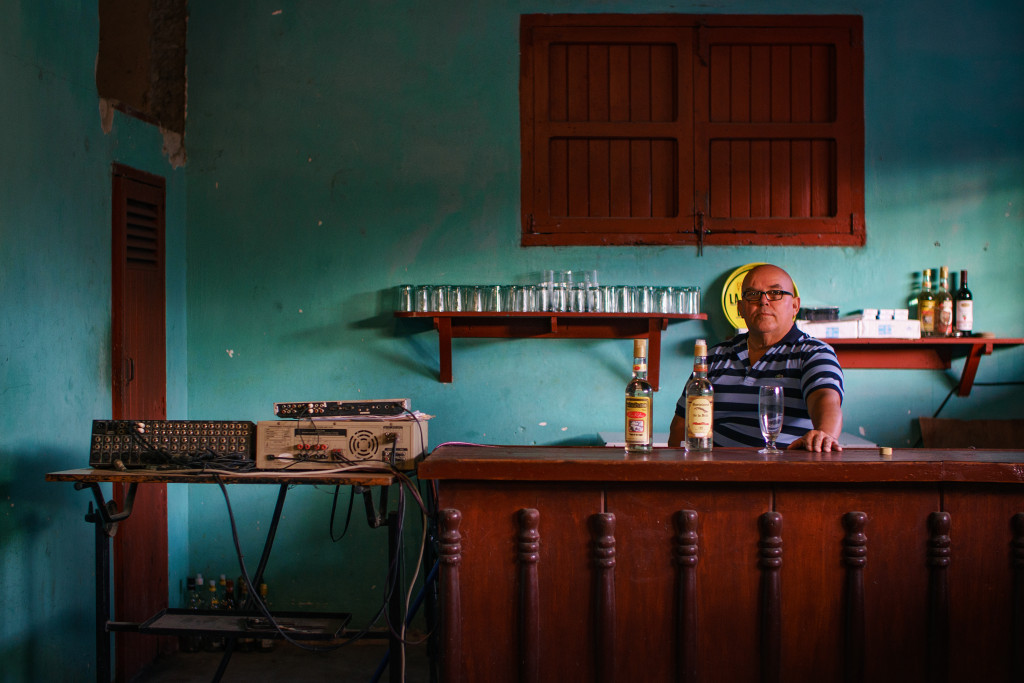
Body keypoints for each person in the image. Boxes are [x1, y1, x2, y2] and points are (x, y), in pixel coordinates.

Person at [668, 264, 844, 452]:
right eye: (752, 294)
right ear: (741, 308)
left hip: (785, 475)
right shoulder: (714, 357)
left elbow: (826, 399)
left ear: (794, 306)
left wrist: (825, 433)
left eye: (775, 293)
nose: (763, 301)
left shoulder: (813, 353)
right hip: (717, 475)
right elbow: (682, 425)